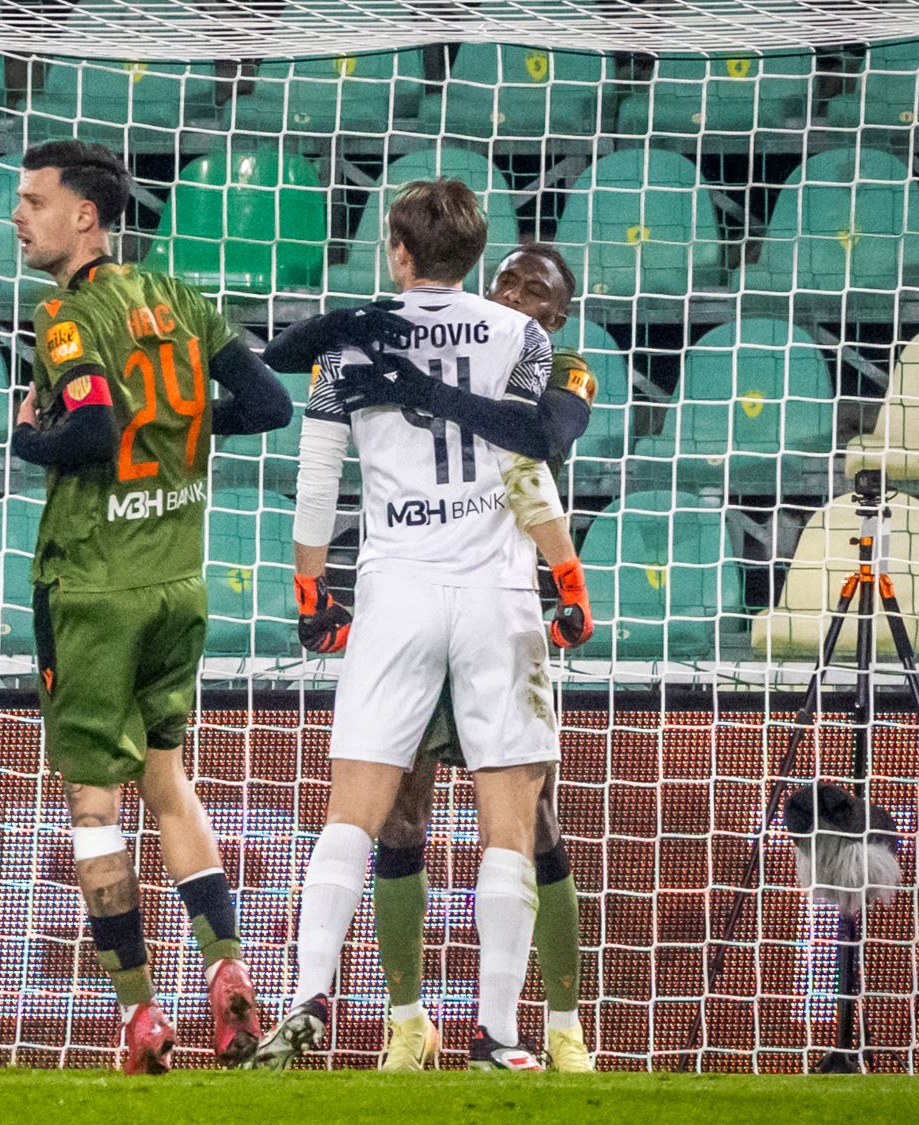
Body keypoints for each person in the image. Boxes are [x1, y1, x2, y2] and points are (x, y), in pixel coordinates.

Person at [251, 179, 562, 1072]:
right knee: (510, 825)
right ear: (476, 255)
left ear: (398, 250)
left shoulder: (350, 341)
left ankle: (309, 994)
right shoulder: (523, 336)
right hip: (498, 591)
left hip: (395, 589)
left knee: (354, 811)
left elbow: (318, 480)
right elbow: (529, 461)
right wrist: (564, 568)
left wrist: (311, 588)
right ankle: (498, 1035)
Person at [8, 140, 294, 1074]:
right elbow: (268, 403)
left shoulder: (64, 317)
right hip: (180, 579)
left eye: (35, 201)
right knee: (168, 780)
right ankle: (226, 965)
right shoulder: (178, 297)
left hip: (95, 589)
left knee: (95, 802)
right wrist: (187, 430)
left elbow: (92, 429)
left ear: (85, 216)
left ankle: (140, 1014)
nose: (19, 216)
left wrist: (28, 440)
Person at [367, 243, 600, 1073]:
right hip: (419, 601)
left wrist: (438, 394)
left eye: (535, 290)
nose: (514, 295)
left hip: (504, 607)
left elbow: (547, 434)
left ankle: (564, 1025)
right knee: (400, 813)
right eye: (505, 281)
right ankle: (407, 1022)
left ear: (557, 316)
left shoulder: (563, 368)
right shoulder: (448, 350)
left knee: (534, 823)